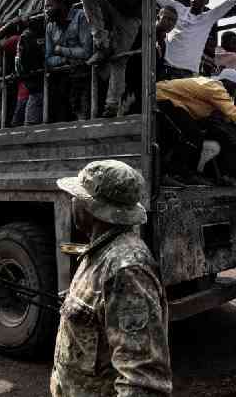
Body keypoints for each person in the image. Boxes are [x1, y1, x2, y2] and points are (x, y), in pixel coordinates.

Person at [52, 160, 172, 396]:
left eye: (77, 196)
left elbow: (143, 382)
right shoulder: (102, 251)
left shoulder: (126, 270)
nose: (72, 201)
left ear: (92, 208)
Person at [44, 0, 93, 122]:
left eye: (49, 6)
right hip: (64, 78)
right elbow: (48, 59)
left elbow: (87, 52)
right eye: (45, 7)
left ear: (62, 4)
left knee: (84, 114)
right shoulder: (50, 27)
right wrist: (66, 58)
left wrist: (61, 50)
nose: (46, 10)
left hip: (84, 74)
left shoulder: (81, 16)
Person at [0, 16, 30, 127]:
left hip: (22, 88)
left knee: (15, 122)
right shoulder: (20, 40)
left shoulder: (16, 40)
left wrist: (8, 25)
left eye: (0, 30)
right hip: (20, 86)